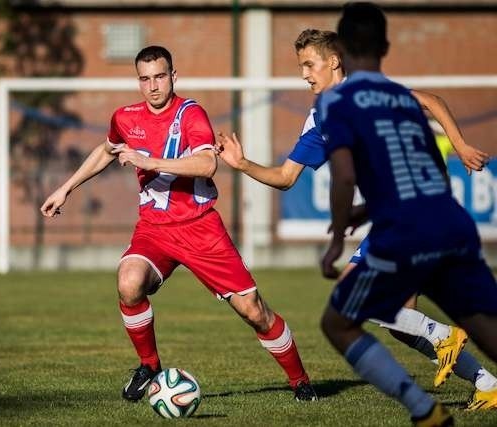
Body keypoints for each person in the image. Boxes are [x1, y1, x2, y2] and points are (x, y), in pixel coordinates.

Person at [216, 28, 497, 410]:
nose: (304, 74)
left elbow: (430, 101)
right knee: (401, 320)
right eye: (301, 66)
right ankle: (486, 383)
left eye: (309, 64)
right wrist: (242, 163)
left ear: (334, 61)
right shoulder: (319, 118)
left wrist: (460, 145)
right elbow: (285, 177)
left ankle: (444, 334)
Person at [40, 45, 317, 403]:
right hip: (154, 230)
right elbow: (106, 150)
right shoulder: (125, 118)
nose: (153, 86)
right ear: (138, 81)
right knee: (128, 282)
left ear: (173, 76)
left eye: (159, 76)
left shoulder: (191, 115)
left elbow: (206, 165)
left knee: (254, 311)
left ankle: (300, 380)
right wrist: (65, 189)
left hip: (201, 229)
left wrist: (147, 160)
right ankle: (150, 366)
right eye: (145, 78)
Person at [316, 2, 497, 425]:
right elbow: (434, 165)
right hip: (449, 220)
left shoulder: (338, 101)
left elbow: (343, 177)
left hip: (406, 230)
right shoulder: (401, 97)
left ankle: (427, 412)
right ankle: (482, 380)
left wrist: (337, 240)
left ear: (339, 50)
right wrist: (372, 208)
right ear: (385, 46)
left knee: (339, 322)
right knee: (485, 329)